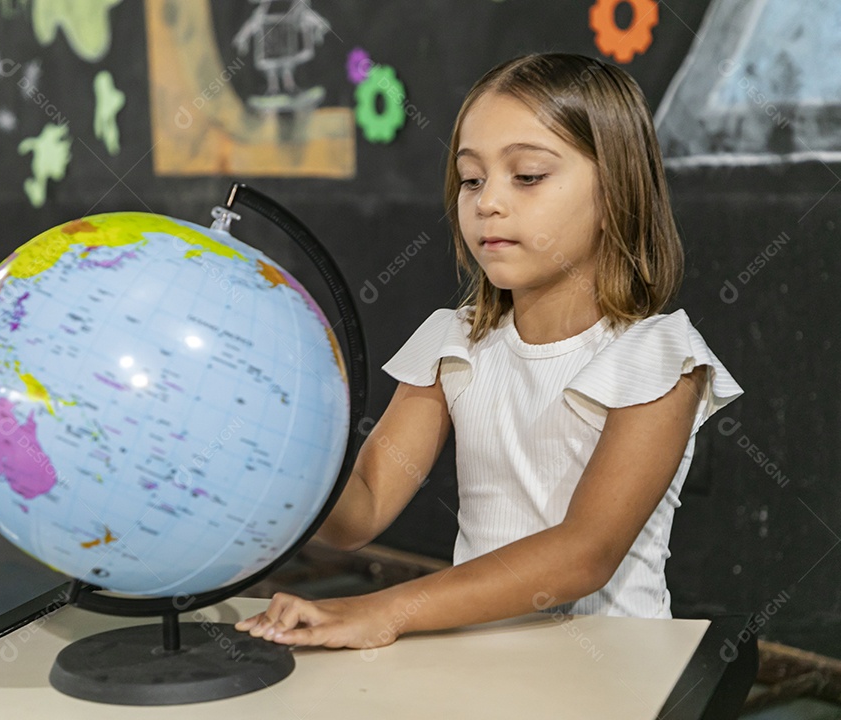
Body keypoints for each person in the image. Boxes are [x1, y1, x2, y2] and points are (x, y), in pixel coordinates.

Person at [235, 52, 743, 650]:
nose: (487, 202)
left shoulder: (659, 357)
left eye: (527, 175)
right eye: (472, 179)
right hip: (478, 661)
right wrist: (274, 424)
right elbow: (359, 512)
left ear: (616, 192)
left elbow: (584, 554)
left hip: (616, 672)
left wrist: (387, 610)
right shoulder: (453, 341)